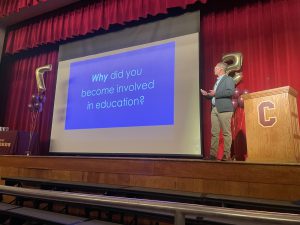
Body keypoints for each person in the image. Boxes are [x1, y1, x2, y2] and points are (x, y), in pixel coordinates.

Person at [201, 62, 235, 161]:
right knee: (214, 133)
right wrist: (207, 95)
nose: (214, 69)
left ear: (221, 69)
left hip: (224, 109)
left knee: (226, 133)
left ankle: (226, 155)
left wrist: (216, 93)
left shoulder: (228, 79)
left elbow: (230, 92)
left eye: (215, 67)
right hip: (214, 108)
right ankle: (212, 155)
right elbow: (215, 95)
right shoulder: (217, 81)